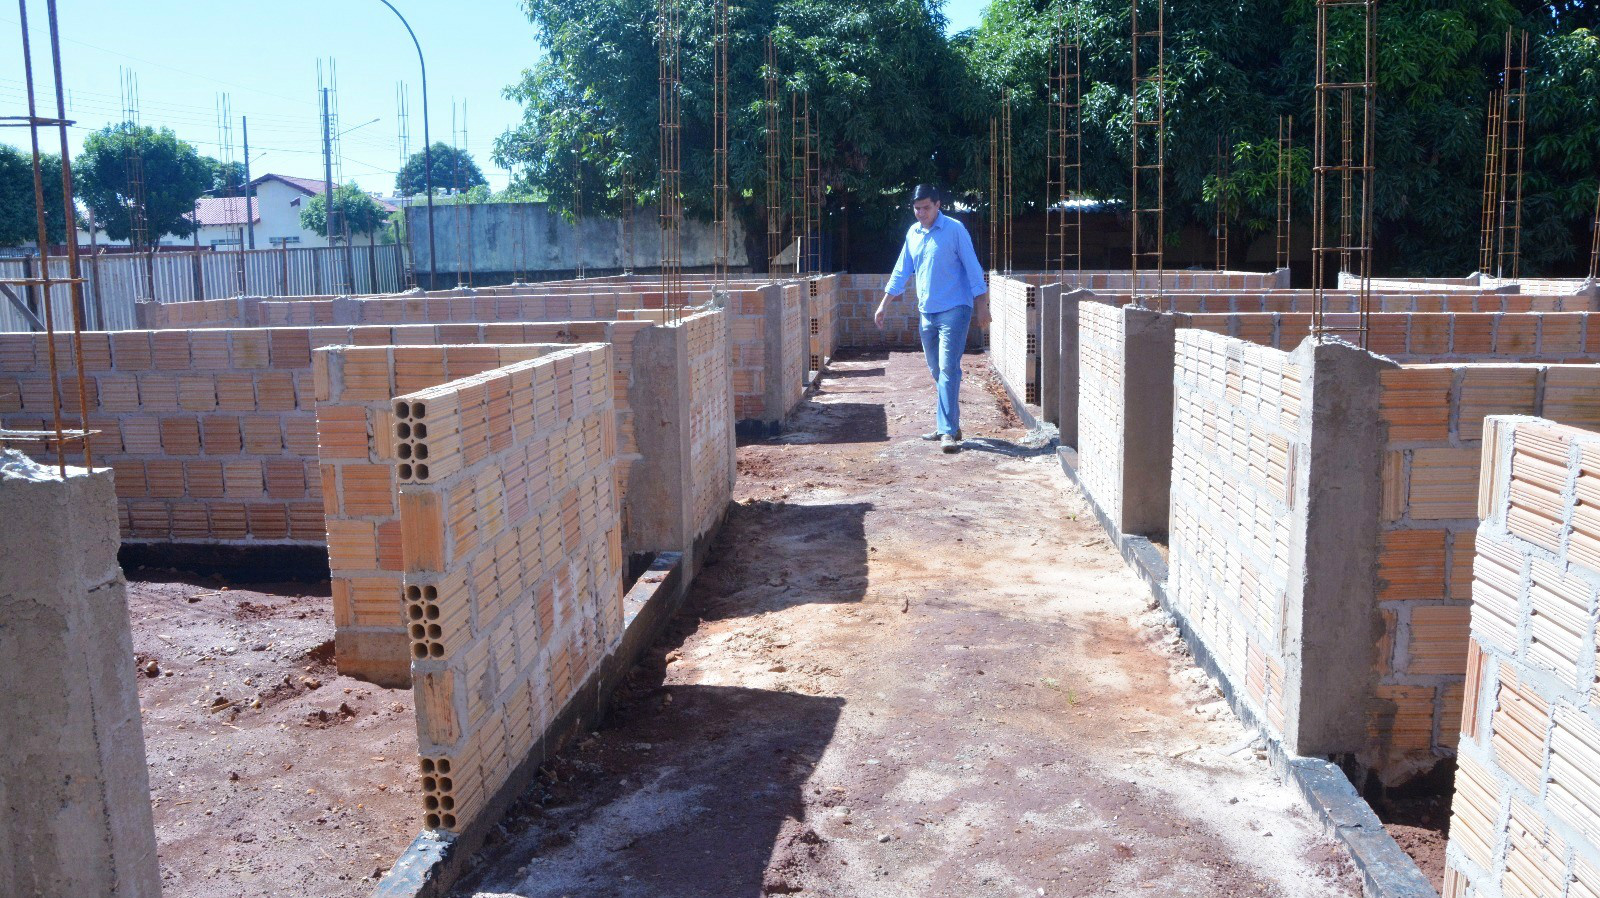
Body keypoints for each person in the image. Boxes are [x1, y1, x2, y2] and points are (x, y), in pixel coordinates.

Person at [874, 184, 990, 454]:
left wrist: (982, 306)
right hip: (927, 312)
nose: (921, 213)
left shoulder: (955, 230)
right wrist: (883, 306)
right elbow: (901, 271)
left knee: (949, 369)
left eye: (926, 207)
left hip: (955, 309)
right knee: (937, 370)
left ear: (938, 205)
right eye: (916, 208)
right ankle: (948, 424)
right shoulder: (913, 234)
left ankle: (948, 432)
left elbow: (974, 269)